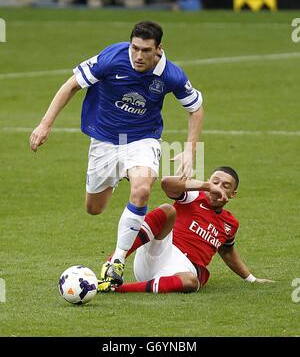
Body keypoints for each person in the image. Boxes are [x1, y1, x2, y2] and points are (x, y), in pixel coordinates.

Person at [29, 21, 204, 286]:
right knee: (94, 208)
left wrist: (190, 150)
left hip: (142, 140)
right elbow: (71, 85)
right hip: (104, 141)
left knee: (143, 189)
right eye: (135, 48)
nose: (138, 55)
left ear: (158, 49)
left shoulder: (171, 75)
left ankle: (117, 261)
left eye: (146, 50)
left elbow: (196, 108)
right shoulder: (111, 58)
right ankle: (118, 178)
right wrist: (45, 124)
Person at [98, 166, 274, 293]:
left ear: (233, 194)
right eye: (215, 182)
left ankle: (116, 289)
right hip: (160, 253)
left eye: (225, 186)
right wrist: (205, 186)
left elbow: (228, 252)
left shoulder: (231, 224)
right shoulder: (194, 196)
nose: (218, 188)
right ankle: (114, 263)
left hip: (180, 271)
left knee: (191, 282)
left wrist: (252, 279)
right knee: (168, 210)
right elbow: (167, 183)